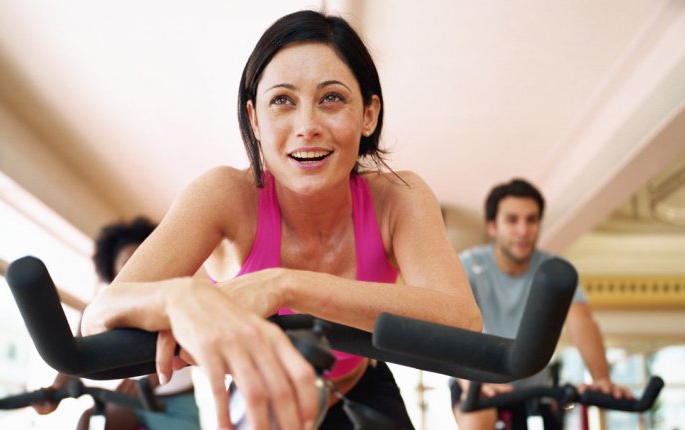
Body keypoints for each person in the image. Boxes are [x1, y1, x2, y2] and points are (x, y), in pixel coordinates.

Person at [82, 9, 482, 430]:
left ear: (369, 114)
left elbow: (462, 321)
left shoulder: (399, 197)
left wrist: (282, 285)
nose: (307, 126)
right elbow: (97, 318)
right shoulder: (225, 195)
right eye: (283, 101)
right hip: (262, 385)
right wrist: (180, 298)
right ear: (255, 119)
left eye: (332, 98)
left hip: (360, 382)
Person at [450, 178, 633, 430]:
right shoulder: (469, 265)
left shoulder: (553, 271)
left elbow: (581, 321)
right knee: (477, 420)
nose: (523, 230)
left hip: (534, 388)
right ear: (492, 226)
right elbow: (451, 325)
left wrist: (601, 378)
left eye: (531, 220)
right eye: (512, 220)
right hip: (478, 381)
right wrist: (469, 380)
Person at [33, 216, 200, 430]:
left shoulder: (170, 296)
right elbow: (73, 354)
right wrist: (55, 390)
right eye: (127, 265)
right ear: (113, 274)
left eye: (142, 261)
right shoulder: (99, 311)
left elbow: (181, 343)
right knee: (91, 419)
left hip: (175, 404)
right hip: (129, 403)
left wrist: (150, 379)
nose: (137, 270)